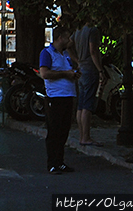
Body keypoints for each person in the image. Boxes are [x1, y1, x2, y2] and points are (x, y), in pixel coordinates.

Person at [39, 27, 80, 174]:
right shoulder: (47, 53)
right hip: (55, 96)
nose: (70, 41)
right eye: (67, 38)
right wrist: (65, 74)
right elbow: (44, 73)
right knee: (54, 131)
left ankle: (60, 161)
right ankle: (52, 163)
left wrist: (73, 73)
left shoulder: (66, 54)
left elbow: (74, 65)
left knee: (64, 131)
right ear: (60, 38)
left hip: (68, 95)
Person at [71, 20, 104, 146]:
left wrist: (76, 60)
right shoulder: (93, 30)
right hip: (90, 68)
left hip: (81, 68)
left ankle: (81, 136)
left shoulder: (78, 30)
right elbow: (93, 51)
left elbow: (69, 44)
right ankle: (86, 137)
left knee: (81, 103)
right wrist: (100, 69)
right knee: (88, 104)